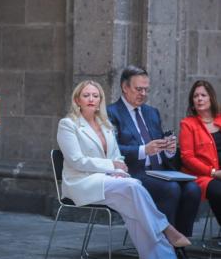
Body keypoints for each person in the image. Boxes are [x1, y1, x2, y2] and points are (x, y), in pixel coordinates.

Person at [57, 79, 191, 259]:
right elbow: (76, 161)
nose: (91, 99)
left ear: (100, 101)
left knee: (135, 212)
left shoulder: (106, 125)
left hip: (108, 181)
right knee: (133, 186)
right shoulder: (68, 124)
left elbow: (117, 157)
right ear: (77, 100)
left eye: (95, 96)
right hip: (81, 182)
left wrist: (118, 170)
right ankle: (166, 228)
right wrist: (112, 166)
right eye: (86, 95)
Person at [107, 65, 201, 258]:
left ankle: (179, 243)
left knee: (193, 189)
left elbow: (163, 150)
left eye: (146, 89)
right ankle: (165, 245)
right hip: (134, 174)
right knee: (171, 189)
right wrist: (144, 150)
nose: (143, 94)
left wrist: (169, 149)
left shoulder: (151, 112)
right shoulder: (112, 113)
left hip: (160, 171)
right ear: (125, 87)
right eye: (138, 89)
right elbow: (113, 150)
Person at [179, 80, 221, 227]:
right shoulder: (188, 124)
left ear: (211, 98)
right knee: (218, 190)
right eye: (196, 96)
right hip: (202, 177)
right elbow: (187, 158)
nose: (199, 99)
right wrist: (213, 172)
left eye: (203, 95)